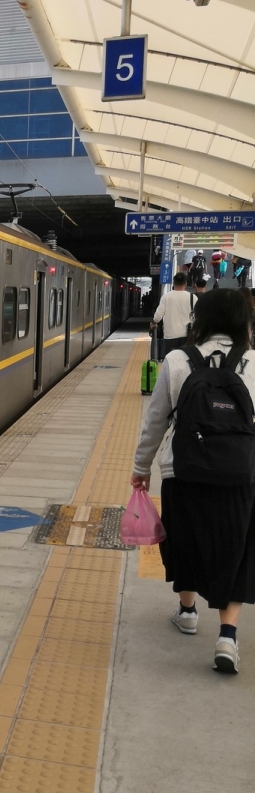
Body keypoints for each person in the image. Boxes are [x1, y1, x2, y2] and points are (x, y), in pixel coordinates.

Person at [132, 288, 255, 673]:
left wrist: (140, 468)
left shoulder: (177, 359)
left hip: (183, 470)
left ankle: (187, 612)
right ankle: (227, 637)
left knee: (184, 541)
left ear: (199, 319)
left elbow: (155, 421)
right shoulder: (253, 362)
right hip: (240, 474)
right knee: (237, 551)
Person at [150, 271, 194, 356]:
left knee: (171, 359)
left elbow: (158, 315)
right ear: (185, 283)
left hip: (170, 335)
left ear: (174, 283)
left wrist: (154, 323)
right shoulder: (193, 297)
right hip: (187, 336)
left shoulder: (166, 297)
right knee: (185, 358)